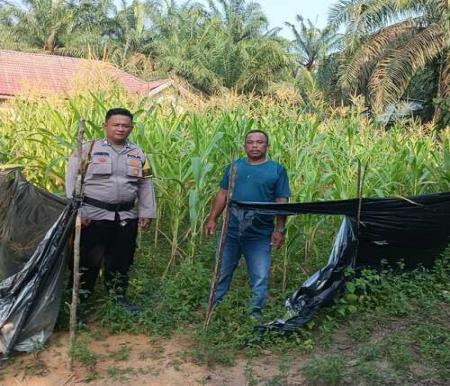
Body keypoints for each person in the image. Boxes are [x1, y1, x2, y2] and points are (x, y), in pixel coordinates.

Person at [65, 108, 156, 312]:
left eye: (125, 126)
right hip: (92, 216)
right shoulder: (88, 149)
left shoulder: (138, 153)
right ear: (105, 126)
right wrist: (76, 212)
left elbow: (146, 183)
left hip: (125, 217)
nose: (121, 129)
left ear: (131, 128)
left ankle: (118, 300)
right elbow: (71, 180)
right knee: (86, 262)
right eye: (116, 125)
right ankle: (80, 303)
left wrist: (146, 212)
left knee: (121, 260)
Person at [204, 130, 290, 320]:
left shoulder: (276, 170)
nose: (255, 145)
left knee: (259, 277)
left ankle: (254, 316)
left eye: (260, 142)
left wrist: (279, 229)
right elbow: (222, 194)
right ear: (245, 146)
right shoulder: (235, 167)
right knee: (222, 272)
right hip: (231, 232)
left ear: (267, 146)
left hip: (260, 234)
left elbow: (282, 200)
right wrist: (212, 218)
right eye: (250, 142)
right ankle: (213, 312)